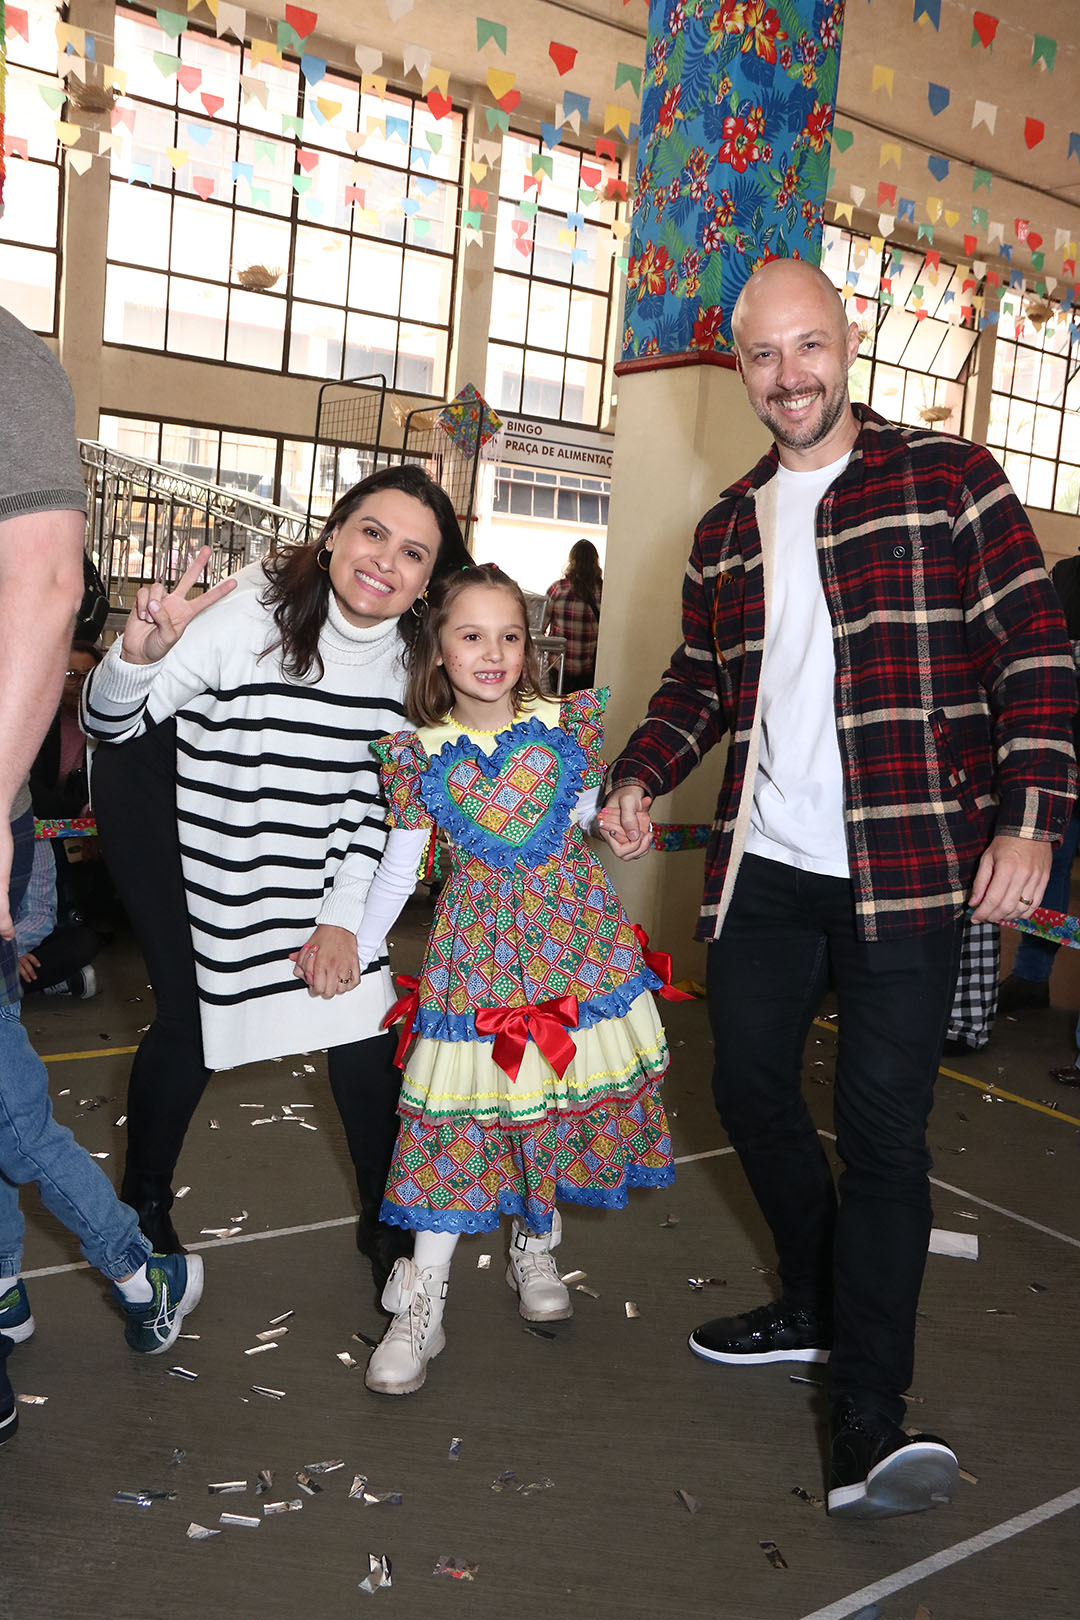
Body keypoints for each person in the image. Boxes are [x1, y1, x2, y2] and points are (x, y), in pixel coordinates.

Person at [603, 259, 1076, 1519]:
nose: (789, 375)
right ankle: (817, 1300)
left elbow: (1036, 656)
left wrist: (1030, 822)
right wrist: (642, 774)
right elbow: (698, 684)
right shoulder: (728, 525)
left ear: (847, 342)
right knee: (747, 1088)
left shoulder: (951, 481)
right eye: (764, 355)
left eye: (808, 345)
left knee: (881, 1139)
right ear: (741, 366)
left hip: (907, 866)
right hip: (766, 867)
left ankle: (869, 1414)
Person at [81, 466, 471, 1294]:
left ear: (428, 582)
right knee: (193, 1016)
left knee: (364, 1019)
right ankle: (143, 1204)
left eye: (413, 553)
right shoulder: (247, 608)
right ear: (332, 536)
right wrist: (134, 659)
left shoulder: (416, 668)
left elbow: (379, 815)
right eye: (372, 533)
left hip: (318, 838)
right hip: (185, 816)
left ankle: (386, 1218)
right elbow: (109, 724)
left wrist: (343, 922)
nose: (385, 561)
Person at [325, 564, 674, 1396]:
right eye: (472, 635)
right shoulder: (418, 755)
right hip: (475, 967)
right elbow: (398, 868)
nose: (493, 653)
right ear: (438, 649)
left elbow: (583, 817)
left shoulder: (565, 726)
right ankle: (425, 1300)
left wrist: (617, 822)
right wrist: (360, 950)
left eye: (509, 636)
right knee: (455, 1122)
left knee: (549, 1103)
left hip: (572, 953)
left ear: (529, 646)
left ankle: (535, 1245)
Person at [0, 307, 201, 1443]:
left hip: (8, 839)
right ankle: (6, 1284)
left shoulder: (10, 367)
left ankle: (137, 1266)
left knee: (11, 1116)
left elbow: (45, 590)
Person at [544, 538, 603, 692]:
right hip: (590, 674)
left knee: (557, 706)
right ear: (595, 562)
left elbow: (540, 627)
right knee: (583, 708)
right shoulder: (603, 592)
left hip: (559, 670)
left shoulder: (557, 589)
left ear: (572, 561)